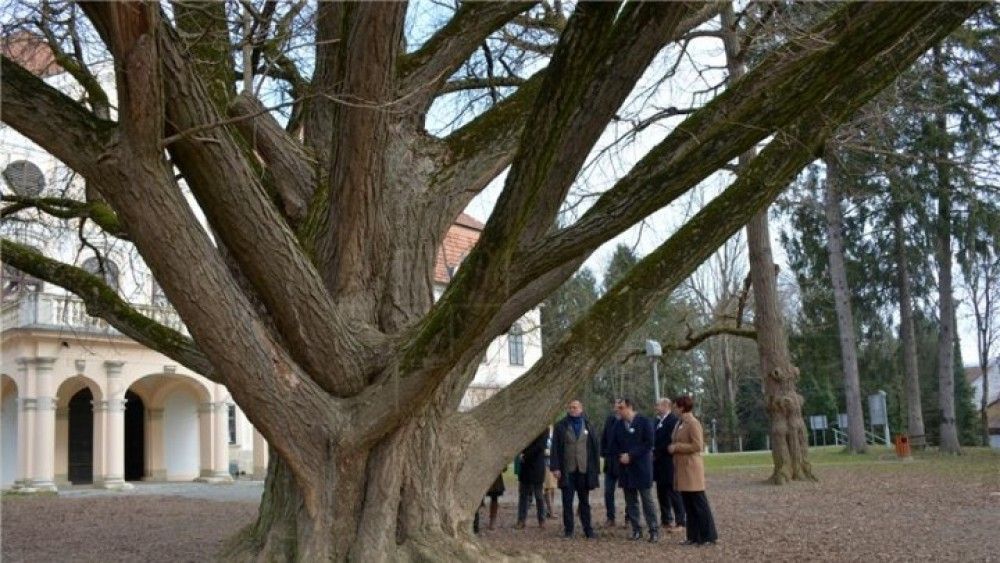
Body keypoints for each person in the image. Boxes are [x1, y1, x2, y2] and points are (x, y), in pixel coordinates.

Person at [668, 395, 718, 546]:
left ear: (682, 407)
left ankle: (708, 536)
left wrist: (677, 447)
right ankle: (693, 536)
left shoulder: (693, 423)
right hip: (682, 469)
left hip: (691, 469)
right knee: (688, 505)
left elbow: (698, 445)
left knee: (699, 503)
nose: (674, 409)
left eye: (675, 406)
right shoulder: (679, 423)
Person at [610, 397, 659, 542]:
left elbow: (649, 443)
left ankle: (653, 529)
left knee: (647, 500)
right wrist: (621, 455)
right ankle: (636, 529)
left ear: (629, 407)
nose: (618, 411)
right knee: (630, 501)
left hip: (642, 467)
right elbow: (612, 445)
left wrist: (631, 455)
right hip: (625, 469)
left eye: (621, 408)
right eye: (616, 408)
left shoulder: (644, 421)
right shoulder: (618, 425)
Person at [551, 400, 601, 539]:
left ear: (581, 408)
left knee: (584, 502)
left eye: (575, 407)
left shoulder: (589, 424)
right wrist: (555, 467)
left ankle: (588, 530)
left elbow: (595, 448)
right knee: (567, 502)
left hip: (584, 470)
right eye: (571, 407)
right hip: (567, 470)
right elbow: (555, 448)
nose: (573, 409)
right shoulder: (561, 426)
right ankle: (569, 530)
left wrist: (595, 468)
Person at [653, 398, 686, 532]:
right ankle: (666, 519)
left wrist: (658, 450)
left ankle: (680, 520)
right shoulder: (656, 421)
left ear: (666, 406)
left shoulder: (672, 421)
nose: (656, 407)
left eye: (659, 405)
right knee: (661, 492)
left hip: (668, 461)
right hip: (658, 463)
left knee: (673, 492)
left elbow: (670, 439)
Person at [516, 430, 548, 529]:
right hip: (525, 466)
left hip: (537, 465)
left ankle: (541, 519)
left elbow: (540, 446)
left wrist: (525, 456)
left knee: (539, 495)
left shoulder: (543, 430)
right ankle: (521, 520)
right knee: (523, 494)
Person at [600, 398, 623, 527]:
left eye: (620, 405)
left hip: (623, 461)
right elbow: (604, 437)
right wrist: (604, 453)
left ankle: (629, 517)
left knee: (628, 491)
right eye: (616, 405)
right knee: (608, 491)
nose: (617, 407)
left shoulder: (628, 421)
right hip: (610, 461)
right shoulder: (610, 420)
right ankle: (610, 517)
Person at [474, 468, 505, 534]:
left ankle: (493, 519)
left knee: (494, 496)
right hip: (481, 474)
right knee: (477, 497)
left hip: (494, 475)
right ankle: (475, 522)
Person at [543, 425, 558, 519]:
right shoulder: (543, 430)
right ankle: (550, 510)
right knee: (547, 487)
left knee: (552, 488)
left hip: (554, 463)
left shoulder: (554, 430)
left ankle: (550, 509)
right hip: (545, 463)